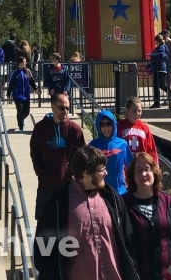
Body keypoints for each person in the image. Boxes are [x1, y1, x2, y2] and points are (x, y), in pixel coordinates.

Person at [34, 145, 139, 280]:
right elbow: (43, 248)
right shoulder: (58, 203)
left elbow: (129, 241)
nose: (106, 173)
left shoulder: (112, 198)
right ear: (86, 172)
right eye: (102, 170)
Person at [123, 152, 171, 280]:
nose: (143, 174)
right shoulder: (123, 205)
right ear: (132, 175)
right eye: (138, 170)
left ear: (154, 172)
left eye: (147, 169)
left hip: (170, 275)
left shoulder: (169, 202)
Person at [30, 92, 86, 220]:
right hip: (46, 186)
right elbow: (35, 153)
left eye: (67, 108)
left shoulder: (74, 130)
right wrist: (41, 173)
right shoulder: (40, 128)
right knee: (43, 226)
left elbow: (81, 155)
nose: (65, 111)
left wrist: (72, 175)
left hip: (68, 187)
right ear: (53, 107)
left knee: (65, 226)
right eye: (62, 108)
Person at [90, 109, 132, 195]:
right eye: (102, 124)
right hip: (100, 191)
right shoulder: (92, 146)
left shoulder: (122, 144)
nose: (106, 127)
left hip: (120, 191)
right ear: (98, 125)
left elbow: (131, 166)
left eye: (108, 124)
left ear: (113, 125)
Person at [7, 55, 37, 132]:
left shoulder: (27, 71)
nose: (25, 63)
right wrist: (8, 94)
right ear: (20, 63)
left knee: (26, 112)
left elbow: (31, 81)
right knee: (19, 110)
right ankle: (21, 127)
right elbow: (11, 84)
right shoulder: (15, 73)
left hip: (26, 95)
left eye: (25, 62)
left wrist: (35, 89)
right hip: (17, 95)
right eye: (24, 62)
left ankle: (22, 118)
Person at [150, 35, 170, 108]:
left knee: (156, 86)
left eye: (155, 40)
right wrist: (149, 66)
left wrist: (152, 55)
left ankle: (156, 103)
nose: (154, 41)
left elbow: (161, 55)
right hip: (159, 68)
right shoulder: (159, 47)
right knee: (161, 86)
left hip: (159, 69)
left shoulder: (161, 47)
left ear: (157, 40)